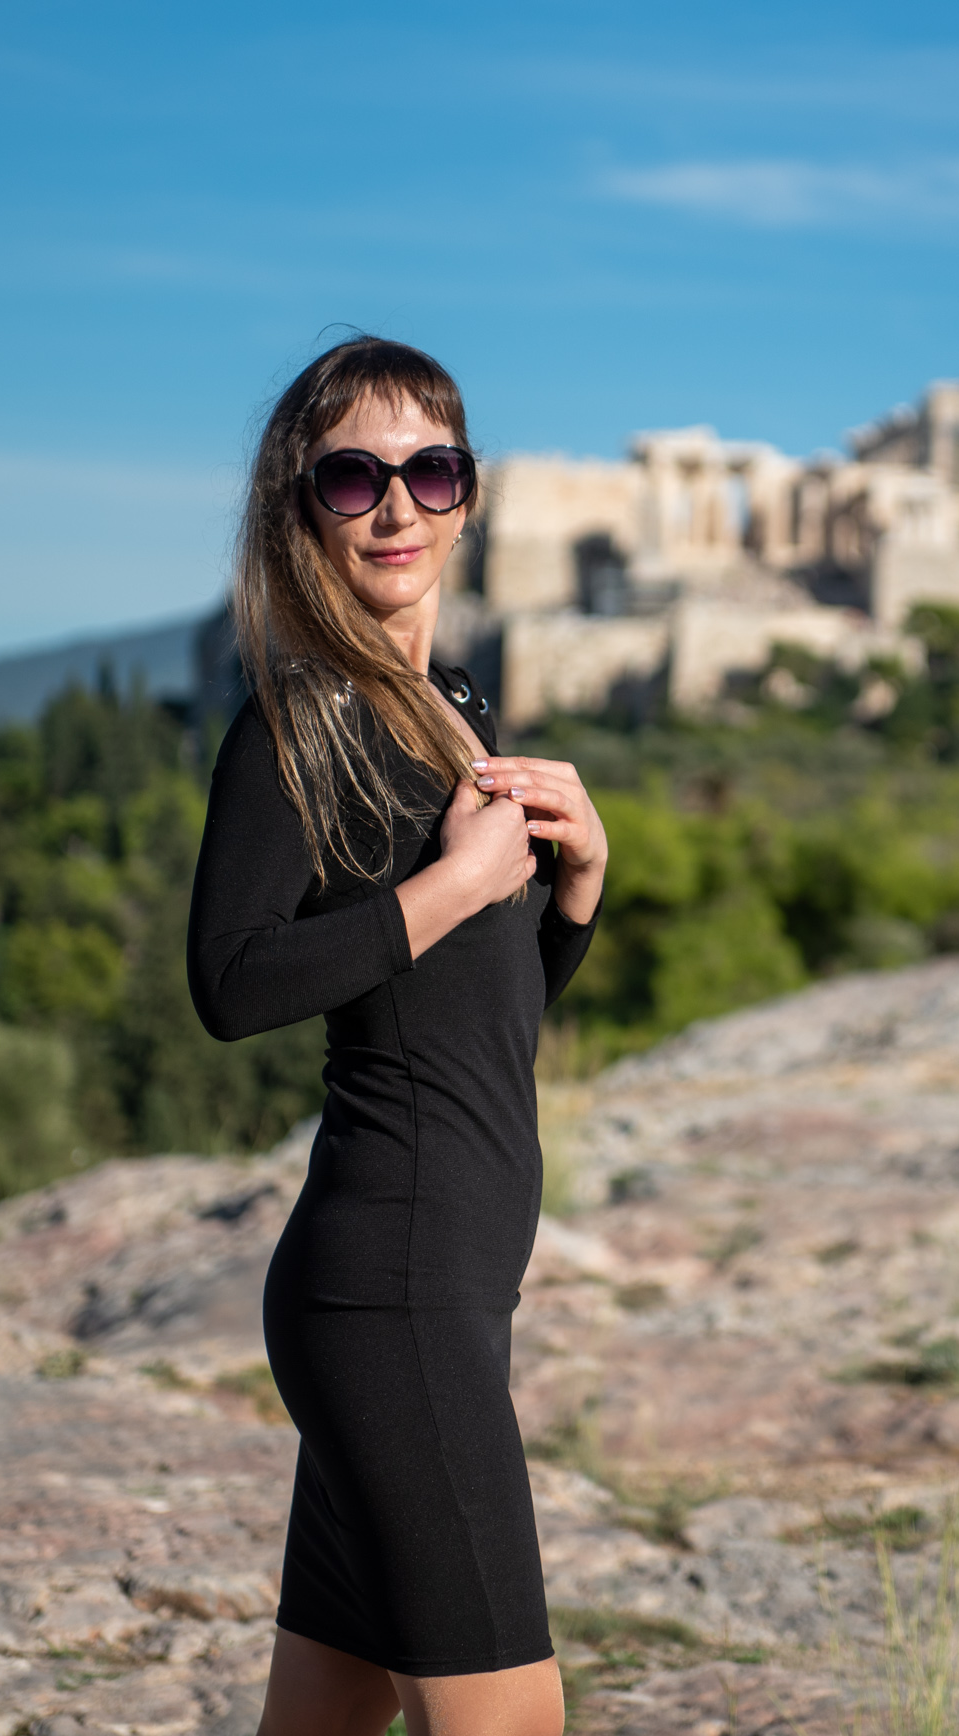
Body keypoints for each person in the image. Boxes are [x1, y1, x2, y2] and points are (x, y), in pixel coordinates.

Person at [188, 337, 605, 1736]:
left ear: (469, 497)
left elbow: (484, 1027)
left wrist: (579, 890)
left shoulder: (456, 713)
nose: (397, 509)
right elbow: (230, 982)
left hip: (437, 1299)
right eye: (353, 476)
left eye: (431, 471)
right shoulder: (294, 721)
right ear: (299, 506)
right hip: (393, 1297)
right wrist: (455, 885)